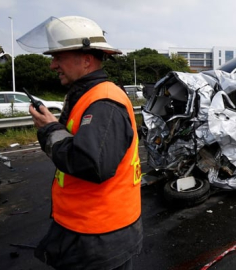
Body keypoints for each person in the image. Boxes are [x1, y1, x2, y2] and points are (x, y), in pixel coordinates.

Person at [17, 16, 142, 269]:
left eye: (58, 57)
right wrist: (55, 127)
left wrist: (49, 130)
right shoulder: (87, 96)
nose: (53, 65)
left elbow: (91, 164)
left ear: (86, 59)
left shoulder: (103, 101)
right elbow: (83, 144)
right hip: (89, 230)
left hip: (100, 236)